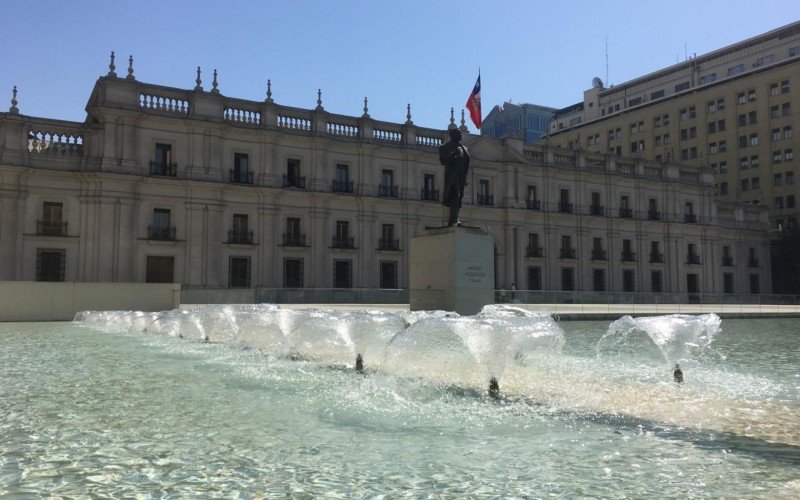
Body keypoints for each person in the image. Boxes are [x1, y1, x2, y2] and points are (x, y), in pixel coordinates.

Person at [438, 128, 470, 226]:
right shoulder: (444, 147)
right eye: (458, 134)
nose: (460, 136)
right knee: (455, 196)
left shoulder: (464, 148)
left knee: (459, 198)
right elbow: (443, 160)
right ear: (452, 135)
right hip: (451, 175)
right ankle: (454, 220)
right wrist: (453, 154)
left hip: (461, 175)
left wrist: (465, 176)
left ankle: (453, 220)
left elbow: (466, 163)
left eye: (461, 134)